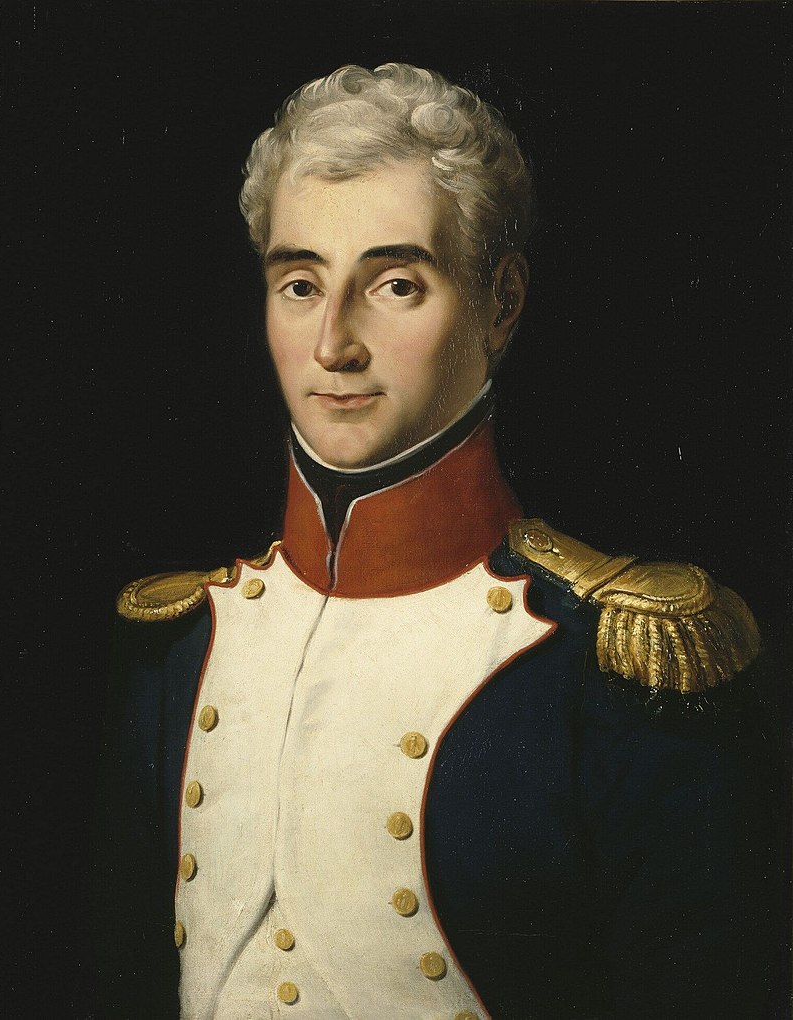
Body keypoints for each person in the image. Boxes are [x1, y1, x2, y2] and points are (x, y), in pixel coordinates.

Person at [96, 63, 773, 1019]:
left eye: (396, 285)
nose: (334, 344)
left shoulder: (616, 667)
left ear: (501, 303)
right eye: (300, 284)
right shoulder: (179, 651)